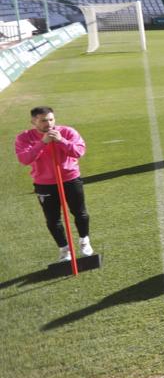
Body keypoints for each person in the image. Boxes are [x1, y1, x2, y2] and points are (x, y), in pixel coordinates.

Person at [14, 106, 93, 262]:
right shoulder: (24, 137)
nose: (48, 124)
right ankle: (64, 249)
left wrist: (61, 141)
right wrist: (42, 143)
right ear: (33, 121)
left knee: (80, 213)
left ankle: (84, 240)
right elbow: (24, 159)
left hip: (70, 179)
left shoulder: (67, 132)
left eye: (51, 119)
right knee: (52, 219)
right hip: (44, 183)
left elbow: (79, 152)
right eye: (43, 120)